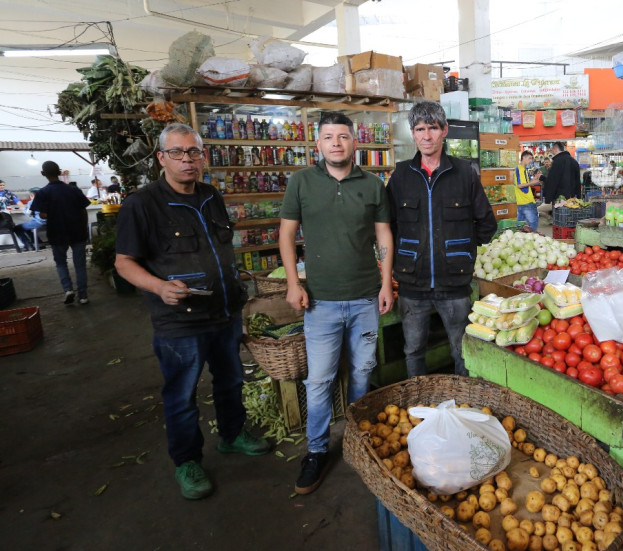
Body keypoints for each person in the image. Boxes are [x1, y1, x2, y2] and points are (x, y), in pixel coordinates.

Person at [114, 123, 269, 500]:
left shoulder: (211, 196)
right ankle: (186, 460)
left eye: (194, 152)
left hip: (224, 312)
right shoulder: (142, 204)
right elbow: (124, 262)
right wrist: (158, 286)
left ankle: (232, 435)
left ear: (203, 156)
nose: (187, 160)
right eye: (178, 153)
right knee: (181, 395)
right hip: (179, 322)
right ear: (161, 158)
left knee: (231, 381)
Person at [279, 111, 394, 496]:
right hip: (321, 303)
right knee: (320, 380)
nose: (336, 143)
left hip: (364, 297)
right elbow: (286, 235)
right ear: (319, 145)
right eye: (328, 137)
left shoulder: (373, 185)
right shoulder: (301, 182)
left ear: (354, 142)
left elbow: (384, 239)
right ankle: (315, 451)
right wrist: (294, 283)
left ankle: (357, 441)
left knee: (363, 370)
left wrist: (385, 284)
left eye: (343, 136)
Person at [386, 101, 497, 378]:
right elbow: (389, 226)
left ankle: (464, 408)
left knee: (462, 351)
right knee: (413, 351)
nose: (426, 136)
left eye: (432, 128)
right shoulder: (401, 175)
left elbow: (487, 224)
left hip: (455, 283)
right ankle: (419, 406)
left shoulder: (464, 174)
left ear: (444, 131)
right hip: (413, 284)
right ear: (413, 133)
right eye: (420, 129)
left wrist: (463, 251)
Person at [30, 162, 91, 305]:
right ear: (59, 172)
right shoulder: (73, 189)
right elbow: (83, 210)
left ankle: (68, 290)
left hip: (57, 232)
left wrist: (53, 212)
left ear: (43, 173)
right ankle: (83, 296)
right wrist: (84, 229)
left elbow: (43, 215)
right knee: (80, 265)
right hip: (77, 232)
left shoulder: (42, 193)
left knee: (61, 263)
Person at [515, 150, 542, 232]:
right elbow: (520, 185)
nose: (531, 160)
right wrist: (533, 182)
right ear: (523, 157)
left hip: (522, 202)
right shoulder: (520, 169)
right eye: (529, 158)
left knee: (520, 228)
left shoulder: (524, 169)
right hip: (527, 201)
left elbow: (526, 183)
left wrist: (534, 178)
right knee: (533, 226)